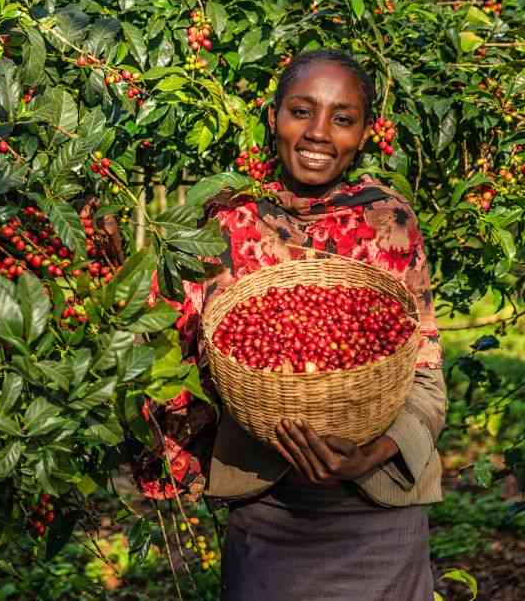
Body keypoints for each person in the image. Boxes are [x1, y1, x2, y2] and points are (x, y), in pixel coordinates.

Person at [137, 50, 445, 600]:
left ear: (366, 132)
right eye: (301, 111)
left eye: (342, 118)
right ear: (275, 115)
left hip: (378, 514)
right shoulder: (228, 224)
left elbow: (424, 376)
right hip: (269, 511)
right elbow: (168, 356)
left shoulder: (389, 221)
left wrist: (367, 455)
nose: (318, 134)